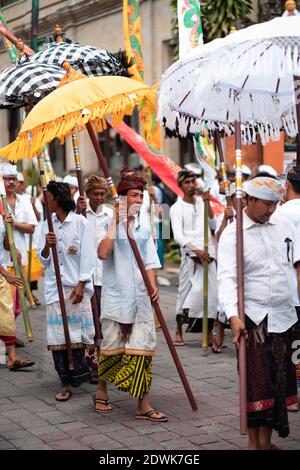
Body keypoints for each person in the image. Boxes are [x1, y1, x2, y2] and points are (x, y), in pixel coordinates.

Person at [218, 176, 298, 450]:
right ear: (249, 200)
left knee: (279, 383)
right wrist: (233, 316)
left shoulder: (285, 224)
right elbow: (227, 279)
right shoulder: (233, 234)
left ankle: (268, 441)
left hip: (284, 316)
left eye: (275, 204)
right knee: (256, 387)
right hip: (253, 319)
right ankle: (255, 444)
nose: (271, 209)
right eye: (266, 204)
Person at [96, 174, 167, 422]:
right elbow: (103, 254)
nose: (139, 199)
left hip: (141, 299)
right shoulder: (107, 221)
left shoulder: (144, 226)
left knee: (144, 348)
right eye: (134, 195)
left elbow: (149, 260)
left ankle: (143, 405)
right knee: (110, 348)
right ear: (122, 197)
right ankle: (101, 390)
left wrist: (153, 285)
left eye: (141, 195)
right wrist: (117, 221)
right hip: (117, 298)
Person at [37, 181, 96, 401]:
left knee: (79, 334)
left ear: (58, 198)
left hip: (75, 288)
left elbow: (88, 256)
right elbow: (42, 261)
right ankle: (64, 381)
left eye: (48, 197)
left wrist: (82, 283)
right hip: (55, 288)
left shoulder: (80, 223)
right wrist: (46, 246)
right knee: (58, 335)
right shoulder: (46, 225)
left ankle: (83, 372)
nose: (46, 201)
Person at [170, 169, 218, 347]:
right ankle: (178, 331)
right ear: (180, 186)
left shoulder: (201, 202)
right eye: (187, 183)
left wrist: (208, 204)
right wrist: (196, 250)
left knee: (211, 294)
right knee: (185, 291)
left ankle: (209, 333)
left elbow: (213, 224)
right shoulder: (176, 208)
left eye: (193, 182)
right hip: (190, 255)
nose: (191, 185)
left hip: (209, 253)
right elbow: (179, 237)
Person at [76, 175, 113, 383]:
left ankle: (105, 362)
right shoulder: (81, 215)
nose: (99, 197)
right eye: (95, 194)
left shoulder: (110, 213)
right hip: (87, 276)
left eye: (102, 194)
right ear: (88, 194)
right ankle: (91, 364)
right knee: (89, 322)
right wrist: (77, 212)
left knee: (104, 320)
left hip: (106, 275)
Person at [1, 163, 37, 346]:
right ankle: (7, 339)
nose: (10, 182)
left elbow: (31, 227)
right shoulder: (0, 201)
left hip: (18, 259)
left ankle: (8, 335)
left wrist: (13, 223)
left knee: (15, 305)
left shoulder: (24, 200)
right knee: (4, 304)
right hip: (2, 260)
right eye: (6, 178)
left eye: (13, 178)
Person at [277, 167, 300, 410]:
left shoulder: (280, 214)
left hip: (289, 289)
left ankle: (292, 397)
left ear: (287, 186)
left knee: (292, 344)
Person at [0, 216, 35, 370]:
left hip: (2, 271)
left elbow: (6, 246)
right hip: (3, 272)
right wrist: (6, 275)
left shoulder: (2, 213)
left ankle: (12, 358)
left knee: (6, 314)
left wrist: (9, 230)